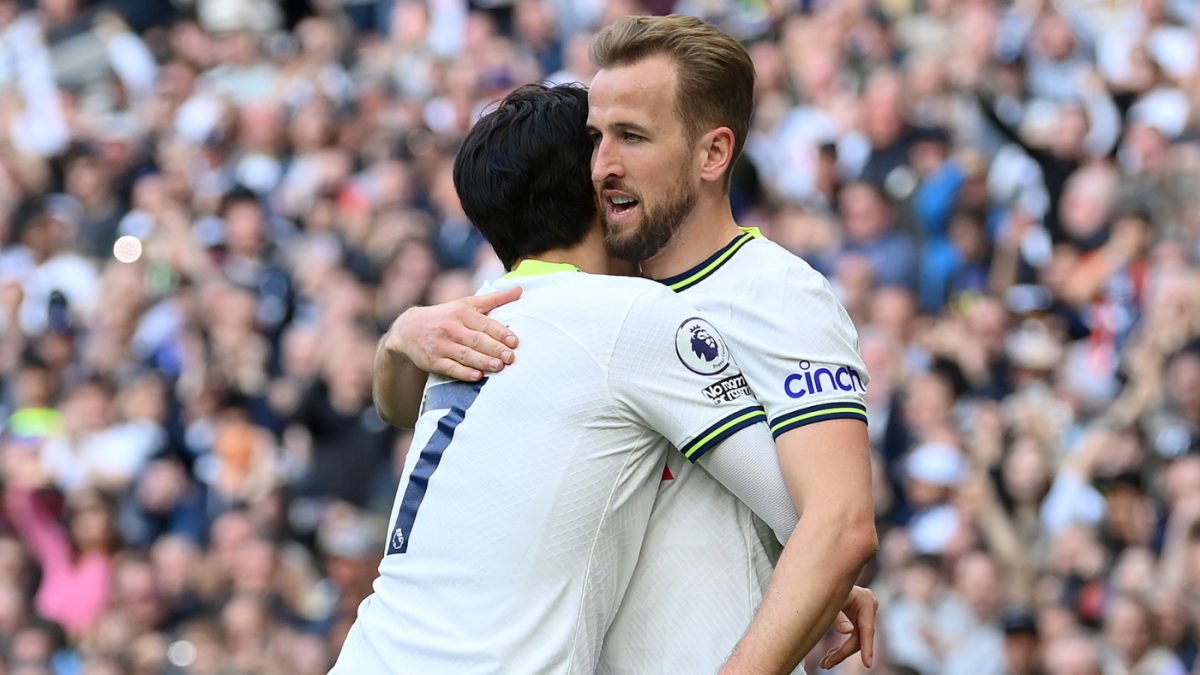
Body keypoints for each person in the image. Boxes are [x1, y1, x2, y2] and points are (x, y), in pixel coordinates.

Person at [377, 14, 879, 675]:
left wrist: (822, 571)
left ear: (712, 154)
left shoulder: (776, 294)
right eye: (595, 138)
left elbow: (840, 522)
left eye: (632, 137)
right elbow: (410, 408)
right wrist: (399, 338)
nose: (603, 165)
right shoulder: (583, 302)